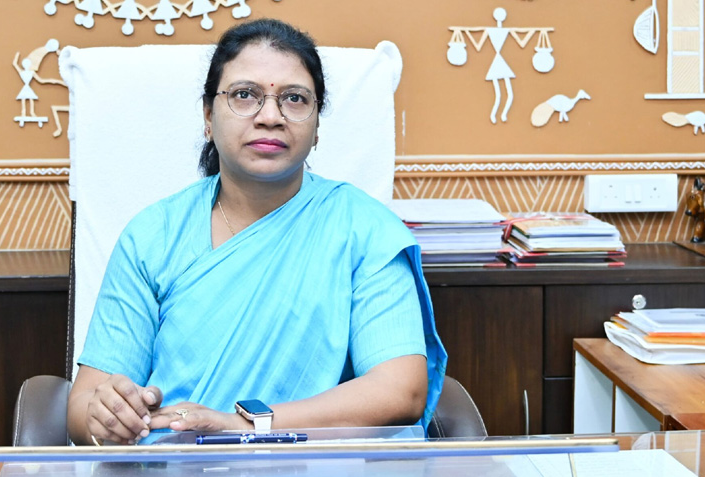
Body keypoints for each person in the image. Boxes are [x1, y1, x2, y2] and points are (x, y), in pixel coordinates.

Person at [67, 19, 446, 446]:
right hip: (172, 474)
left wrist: (245, 425)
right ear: (208, 116)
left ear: (317, 126)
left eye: (294, 99)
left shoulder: (365, 230)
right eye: (244, 95)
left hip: (318, 475)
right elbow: (83, 405)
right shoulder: (152, 236)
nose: (270, 117)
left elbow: (400, 390)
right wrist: (106, 416)